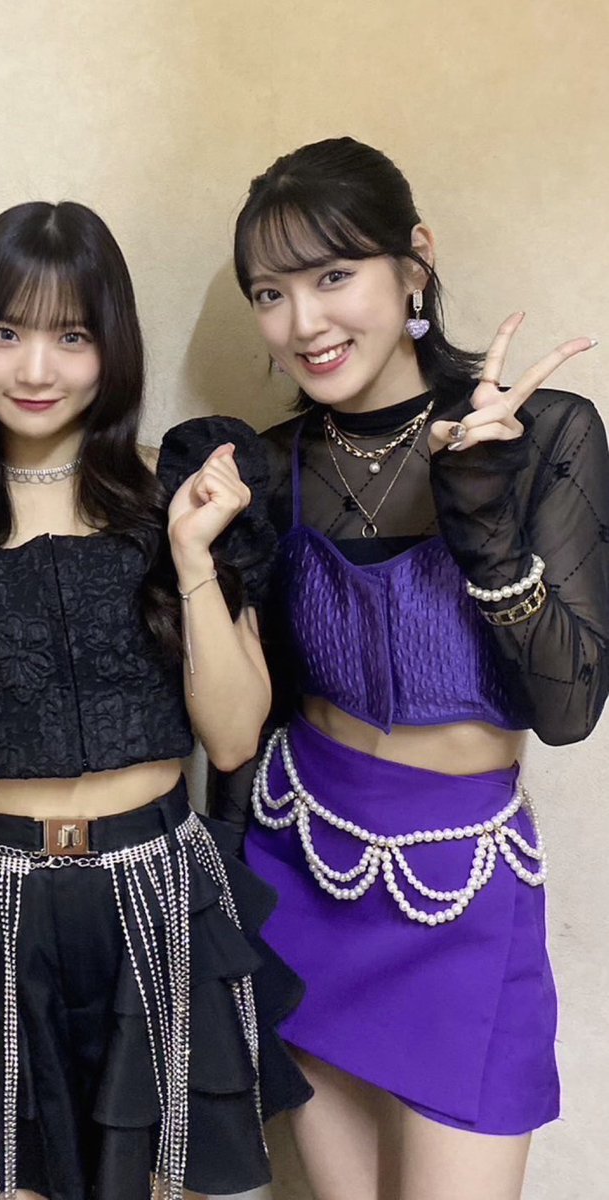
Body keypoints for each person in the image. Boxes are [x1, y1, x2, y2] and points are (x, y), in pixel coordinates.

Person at [0, 200, 311, 1200]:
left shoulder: (181, 491)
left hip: (158, 891)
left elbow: (232, 739)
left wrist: (191, 556)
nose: (36, 369)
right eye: (7, 333)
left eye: (71, 336)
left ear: (112, 347)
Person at [223, 136, 609, 1200]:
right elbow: (248, 705)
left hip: (464, 891)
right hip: (303, 862)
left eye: (332, 275)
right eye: (269, 293)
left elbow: (569, 706)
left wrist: (484, 526)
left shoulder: (544, 435)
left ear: (414, 263)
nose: (303, 322)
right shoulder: (272, 465)